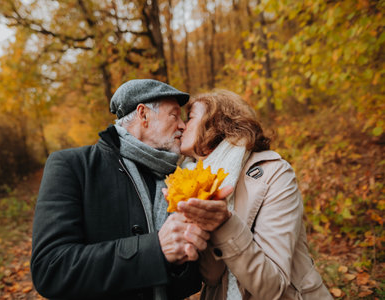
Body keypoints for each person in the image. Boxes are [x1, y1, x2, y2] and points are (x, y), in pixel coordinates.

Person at [31, 79, 221, 299]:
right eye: (174, 115)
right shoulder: (72, 165)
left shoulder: (178, 179)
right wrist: (155, 250)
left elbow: (189, 283)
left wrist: (181, 261)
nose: (182, 125)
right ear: (143, 115)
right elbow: (50, 268)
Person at [176, 90, 332, 299]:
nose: (182, 126)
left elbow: (273, 286)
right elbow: (212, 277)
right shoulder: (192, 181)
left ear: (217, 123)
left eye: (190, 118)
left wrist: (223, 224)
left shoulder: (274, 173)